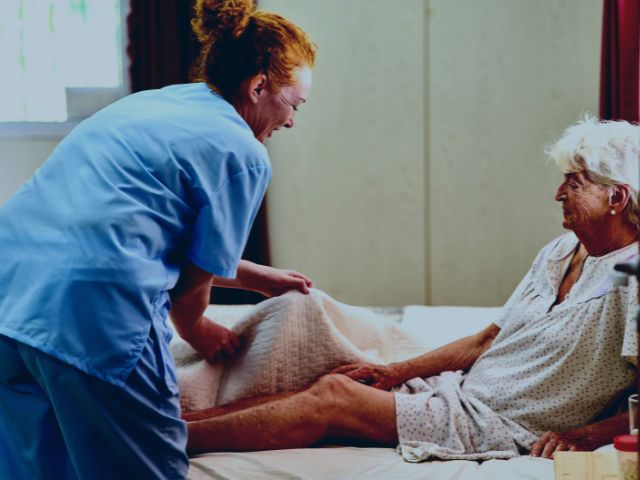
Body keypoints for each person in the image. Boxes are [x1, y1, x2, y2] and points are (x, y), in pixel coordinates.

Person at [184, 116, 639, 461]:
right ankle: (167, 423)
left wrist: (586, 437)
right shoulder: (562, 250)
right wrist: (395, 372)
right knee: (335, 380)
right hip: (463, 390)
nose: (558, 194)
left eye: (573, 183)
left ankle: (167, 440)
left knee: (334, 400)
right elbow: (488, 339)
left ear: (616, 198)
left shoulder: (631, 275)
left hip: (501, 423)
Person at [0, 0, 316, 478]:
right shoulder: (243, 152)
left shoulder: (160, 101)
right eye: (294, 104)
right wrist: (198, 330)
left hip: (12, 296)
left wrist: (257, 278)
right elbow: (190, 290)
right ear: (257, 88)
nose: (292, 121)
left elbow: (149, 231)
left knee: (41, 465)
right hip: (91, 315)